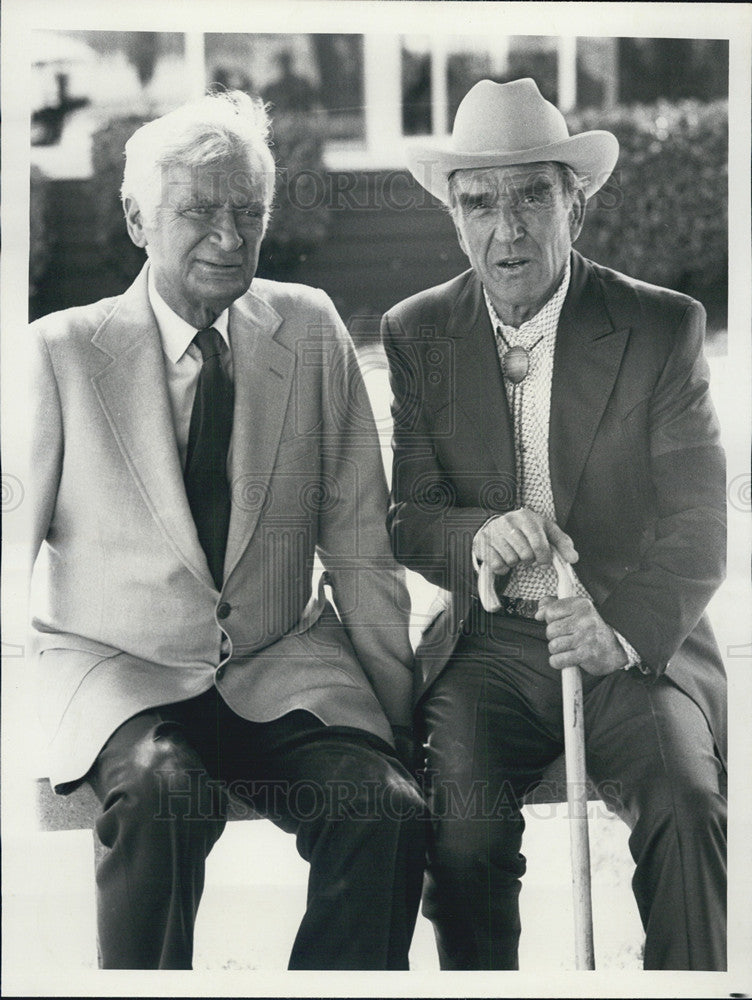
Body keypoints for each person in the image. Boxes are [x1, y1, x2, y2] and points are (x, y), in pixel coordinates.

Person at [28, 90, 425, 970]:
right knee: (165, 797)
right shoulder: (56, 353)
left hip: (280, 666)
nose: (231, 233)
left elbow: (362, 549)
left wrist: (401, 727)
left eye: (249, 210)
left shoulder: (311, 327)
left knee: (387, 812)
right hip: (119, 672)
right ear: (137, 218)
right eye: (200, 209)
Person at [381, 78, 727, 971]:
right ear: (454, 217)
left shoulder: (659, 325)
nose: (509, 228)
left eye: (534, 194)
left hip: (625, 640)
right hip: (489, 647)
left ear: (578, 200)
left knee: (687, 807)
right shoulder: (418, 332)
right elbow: (410, 516)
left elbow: (697, 525)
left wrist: (615, 631)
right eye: (481, 202)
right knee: (458, 841)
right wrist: (476, 536)